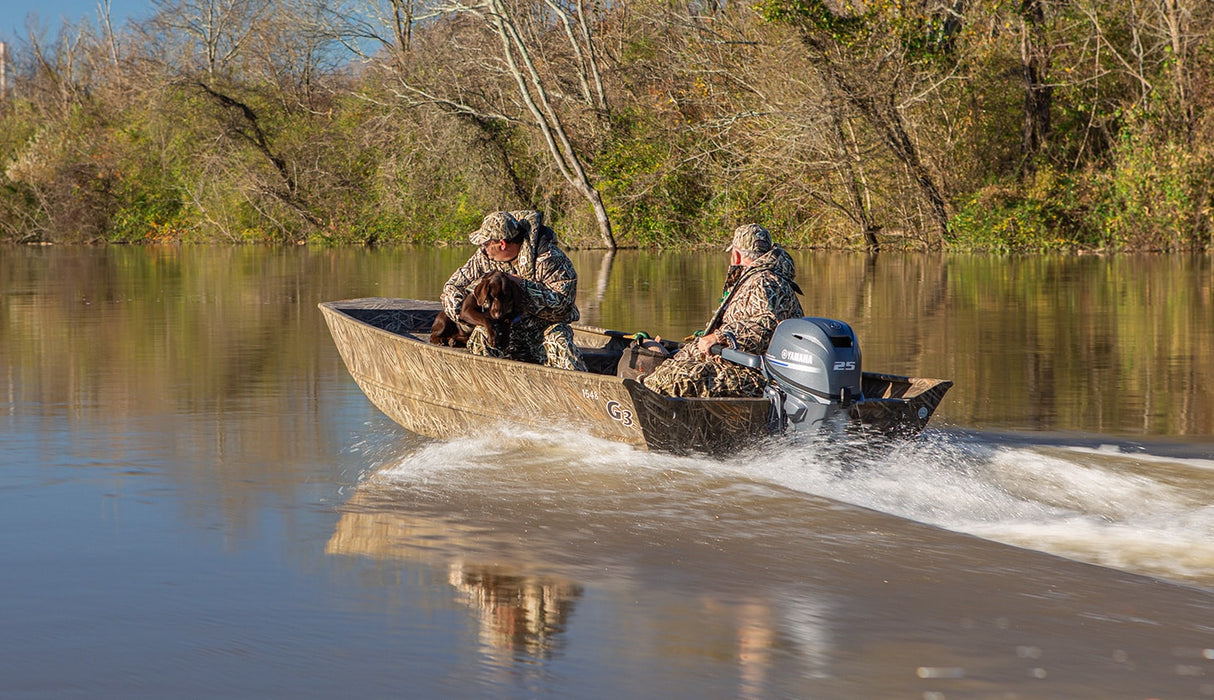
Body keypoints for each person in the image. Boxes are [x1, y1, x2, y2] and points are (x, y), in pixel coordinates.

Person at [640, 223, 803, 397]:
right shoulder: (758, 279)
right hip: (740, 365)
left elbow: (767, 326)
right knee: (667, 369)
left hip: (760, 376)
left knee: (671, 379)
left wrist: (719, 336)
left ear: (736, 255)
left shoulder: (764, 282)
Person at [441, 210, 587, 371]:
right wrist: (466, 316)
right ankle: (488, 389)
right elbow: (452, 287)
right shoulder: (484, 257)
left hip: (543, 329)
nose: (483, 249)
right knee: (480, 336)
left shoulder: (549, 259)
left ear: (501, 244)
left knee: (560, 343)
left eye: (486, 244)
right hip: (503, 328)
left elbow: (563, 305)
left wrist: (522, 285)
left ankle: (581, 391)